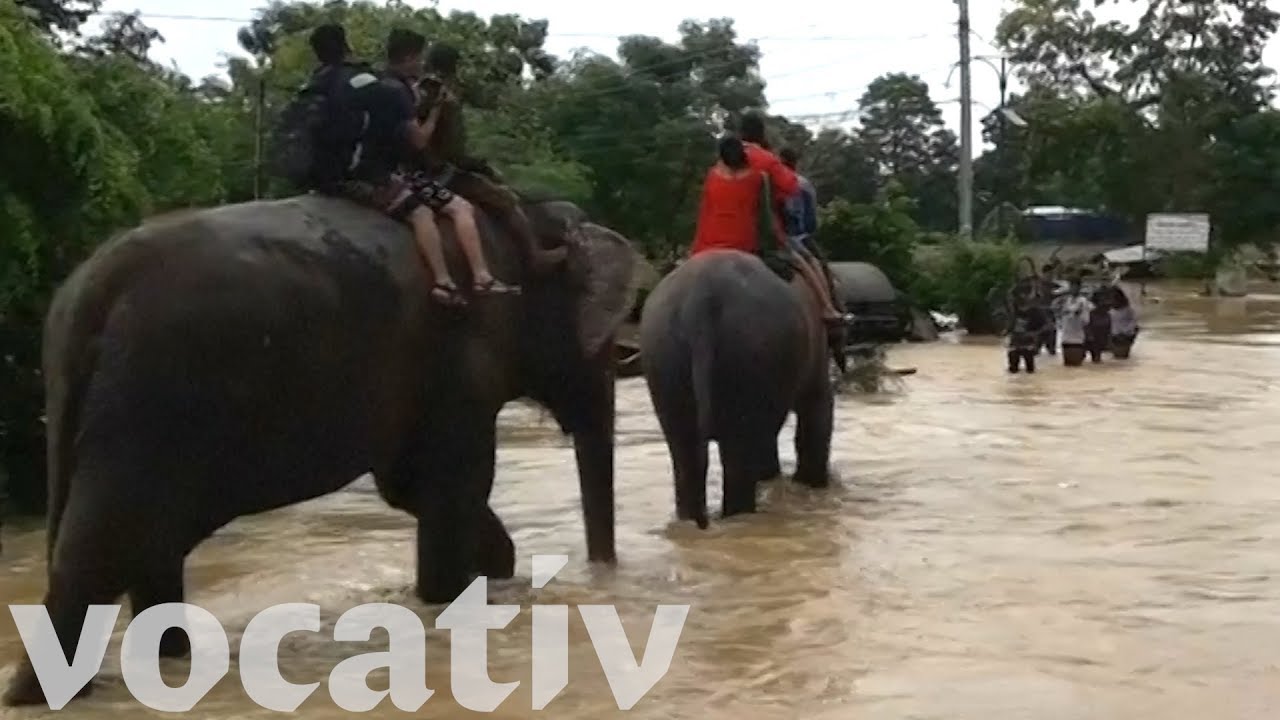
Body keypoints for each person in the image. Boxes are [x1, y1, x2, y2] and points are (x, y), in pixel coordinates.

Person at [335, 29, 516, 306]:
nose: (421, 63)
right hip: (392, 172)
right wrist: (435, 112)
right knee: (457, 209)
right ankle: (473, 278)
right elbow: (419, 141)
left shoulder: (375, 83)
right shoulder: (400, 92)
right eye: (419, 57)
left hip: (355, 167)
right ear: (408, 57)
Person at [415, 42, 567, 273]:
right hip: (442, 171)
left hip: (414, 166)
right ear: (454, 66)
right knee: (506, 199)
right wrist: (482, 167)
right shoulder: (444, 96)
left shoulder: (417, 88)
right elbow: (453, 150)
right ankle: (534, 254)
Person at [778, 146, 850, 324]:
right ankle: (830, 307)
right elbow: (811, 223)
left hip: (770, 236)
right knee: (821, 267)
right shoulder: (803, 184)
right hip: (797, 238)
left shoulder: (772, 181)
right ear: (796, 163)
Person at [1006, 289, 1049, 373]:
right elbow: (1011, 325)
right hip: (1015, 342)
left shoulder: (1036, 312)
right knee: (1013, 369)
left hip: (1028, 343)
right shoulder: (1014, 311)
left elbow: (1047, 326)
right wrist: (1007, 331)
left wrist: (1034, 334)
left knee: (1030, 370)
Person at [1058, 277, 1093, 366]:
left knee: (1076, 366)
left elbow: (1086, 321)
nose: (1073, 289)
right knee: (1067, 368)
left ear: (1079, 288)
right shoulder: (1065, 300)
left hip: (1078, 339)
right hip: (1065, 338)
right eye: (1071, 286)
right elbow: (1061, 316)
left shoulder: (1083, 302)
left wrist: (1077, 314)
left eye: (1075, 287)